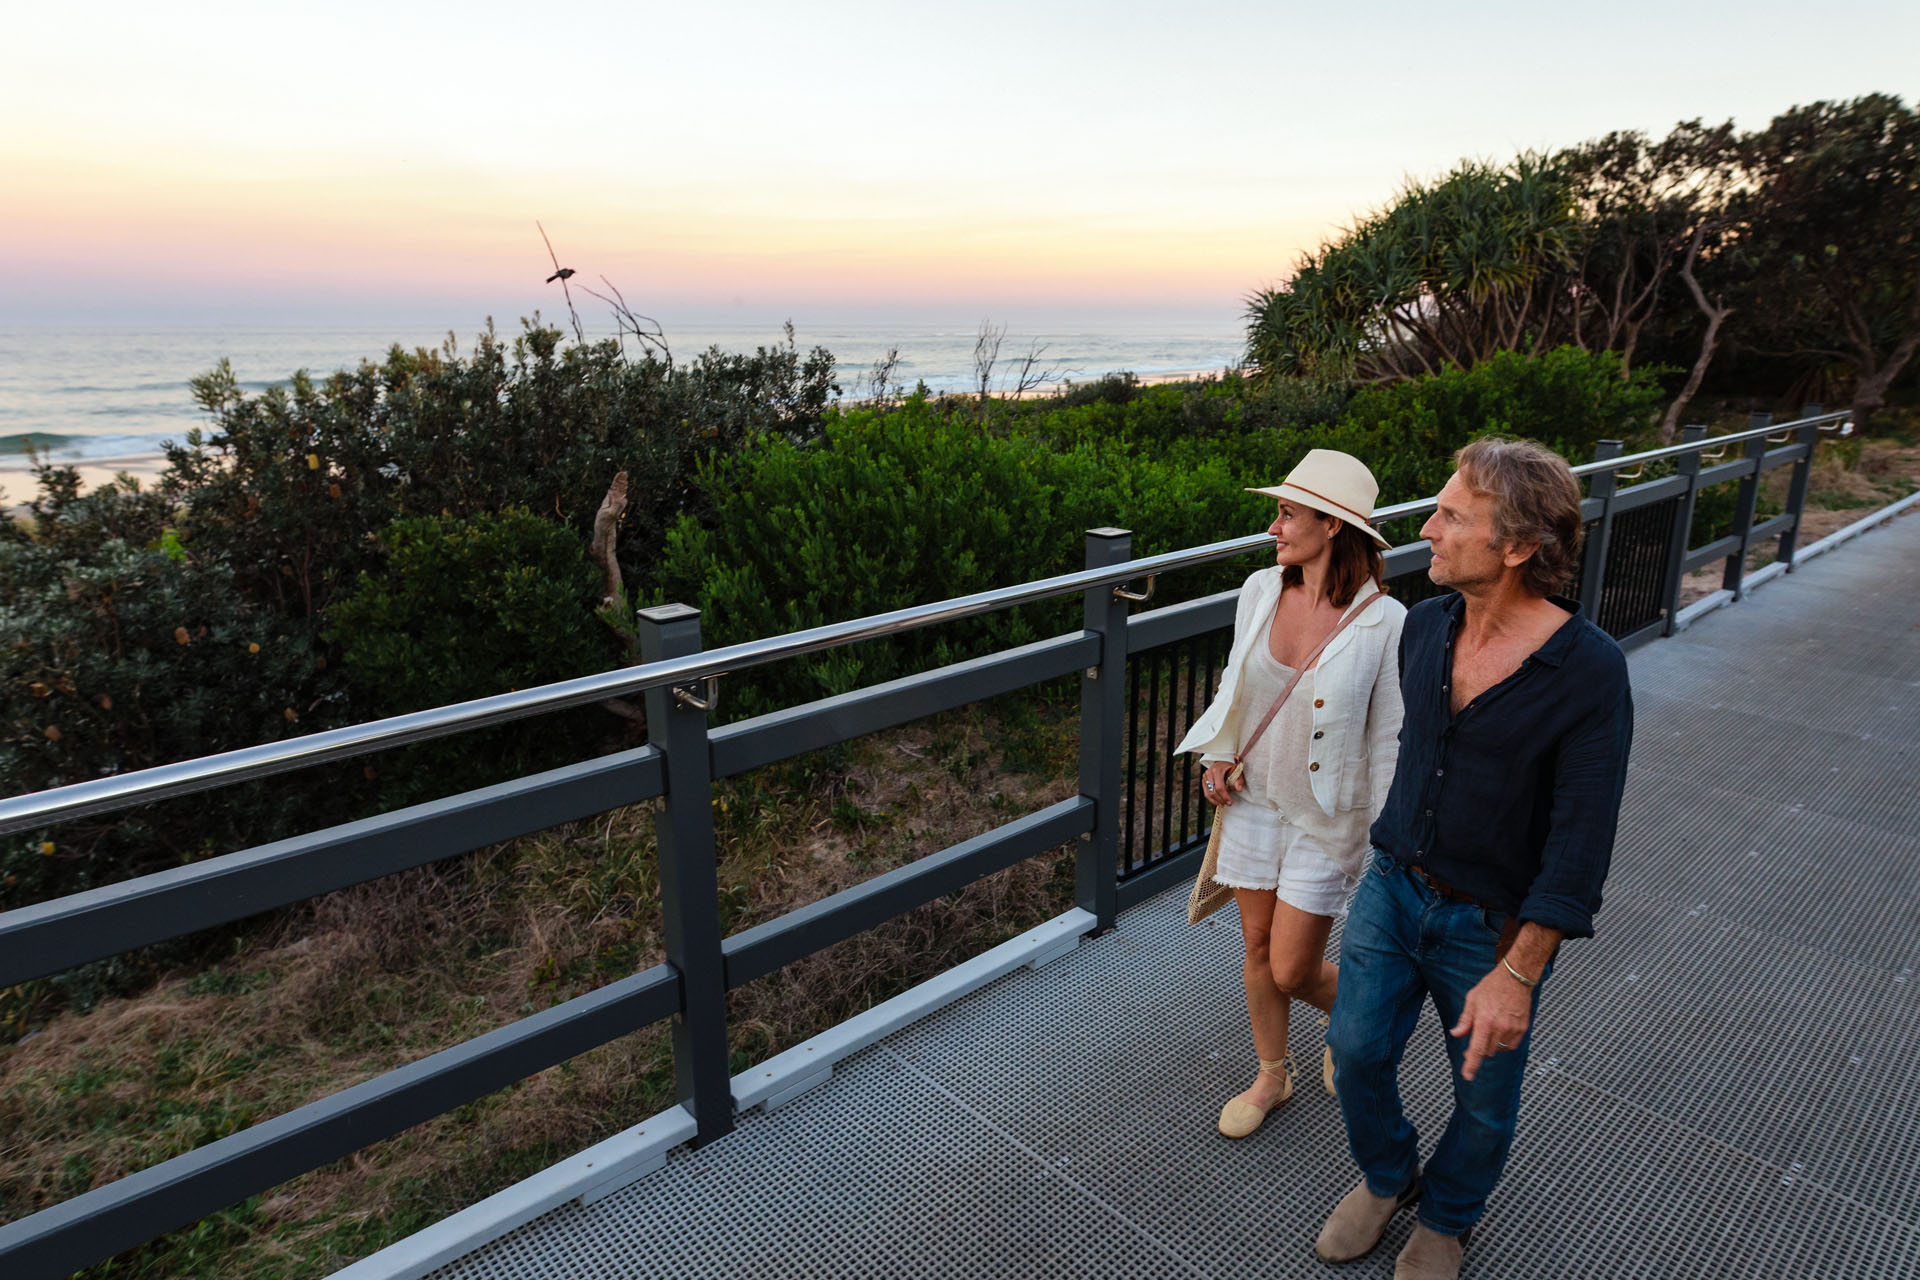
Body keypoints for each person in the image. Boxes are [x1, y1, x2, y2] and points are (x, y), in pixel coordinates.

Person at [1316, 438, 1634, 1280]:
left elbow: (1581, 842)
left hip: (1492, 925)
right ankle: (1390, 1178)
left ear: (1521, 546)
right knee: (1354, 1053)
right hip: (1393, 886)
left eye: (1454, 517)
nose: (1428, 529)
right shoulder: (1425, 627)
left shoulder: (1589, 670)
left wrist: (1520, 974)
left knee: (1483, 1096)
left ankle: (1450, 1216)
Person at [1177, 448, 1406, 1139]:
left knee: (1293, 964)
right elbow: (1235, 685)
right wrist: (1217, 757)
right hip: (1253, 800)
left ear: (1334, 525)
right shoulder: (1260, 589)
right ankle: (1273, 1074)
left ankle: (1356, 1015)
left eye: (1286, 513)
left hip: (1327, 817)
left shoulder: (1384, 623)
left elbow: (1390, 737)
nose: (1274, 528)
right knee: (1254, 946)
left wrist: (1387, 840)